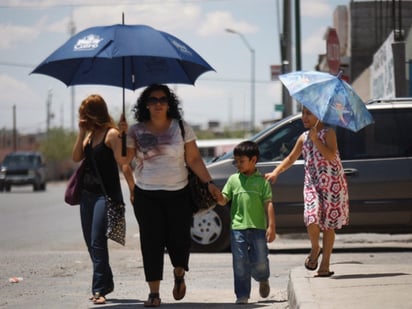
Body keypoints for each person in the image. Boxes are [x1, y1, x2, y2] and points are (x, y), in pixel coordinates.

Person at [122, 84, 221, 307]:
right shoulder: (135, 130)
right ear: (145, 104)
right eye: (153, 100)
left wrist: (210, 184)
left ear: (169, 103)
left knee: (179, 240)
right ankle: (154, 293)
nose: (158, 103)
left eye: (163, 99)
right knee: (151, 242)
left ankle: (179, 272)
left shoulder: (181, 128)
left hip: (178, 193)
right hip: (147, 194)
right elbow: (124, 161)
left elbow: (194, 160)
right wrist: (121, 136)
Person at [265, 106, 349, 277]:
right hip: (312, 185)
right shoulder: (303, 138)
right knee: (311, 217)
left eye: (309, 113)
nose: (304, 117)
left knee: (328, 225)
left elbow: (331, 155)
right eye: (303, 113)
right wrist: (276, 171)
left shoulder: (328, 133)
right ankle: (315, 247)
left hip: (332, 185)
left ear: (320, 115)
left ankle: (325, 264)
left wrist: (316, 140)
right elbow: (290, 158)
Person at [72, 94, 128, 305]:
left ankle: (99, 289)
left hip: (105, 195)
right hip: (86, 195)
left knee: (97, 241)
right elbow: (76, 157)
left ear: (93, 113)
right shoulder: (89, 136)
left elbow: (123, 161)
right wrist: (80, 133)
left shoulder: (111, 134)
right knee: (90, 243)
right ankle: (107, 281)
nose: (81, 118)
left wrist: (124, 137)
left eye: (84, 114)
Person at [215, 141, 276, 305]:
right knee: (240, 262)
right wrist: (217, 196)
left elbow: (268, 204)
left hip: (258, 229)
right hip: (238, 229)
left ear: (253, 160)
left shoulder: (262, 181)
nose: (238, 164)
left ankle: (263, 279)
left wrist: (271, 226)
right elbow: (224, 200)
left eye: (241, 161)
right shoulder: (233, 179)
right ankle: (242, 294)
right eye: (236, 161)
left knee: (261, 260)